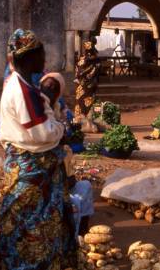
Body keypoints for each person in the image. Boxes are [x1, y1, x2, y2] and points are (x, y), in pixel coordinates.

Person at [0, 29, 76, 270]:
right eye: (41, 54)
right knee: (30, 224)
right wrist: (62, 128)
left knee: (40, 222)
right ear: (29, 57)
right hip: (31, 169)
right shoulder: (21, 91)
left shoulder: (24, 85)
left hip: (37, 167)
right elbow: (42, 132)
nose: (44, 59)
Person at [40, 72, 93, 238]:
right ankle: (70, 236)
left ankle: (83, 232)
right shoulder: (37, 108)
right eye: (46, 87)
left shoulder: (57, 109)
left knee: (86, 187)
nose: (49, 91)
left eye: (53, 88)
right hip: (46, 184)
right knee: (73, 202)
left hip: (60, 177)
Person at [74, 41, 99, 118]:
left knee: (82, 101)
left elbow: (79, 71)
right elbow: (94, 70)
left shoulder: (85, 58)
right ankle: (86, 119)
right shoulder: (90, 58)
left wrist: (81, 75)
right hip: (85, 84)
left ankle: (83, 120)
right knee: (85, 101)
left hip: (84, 84)